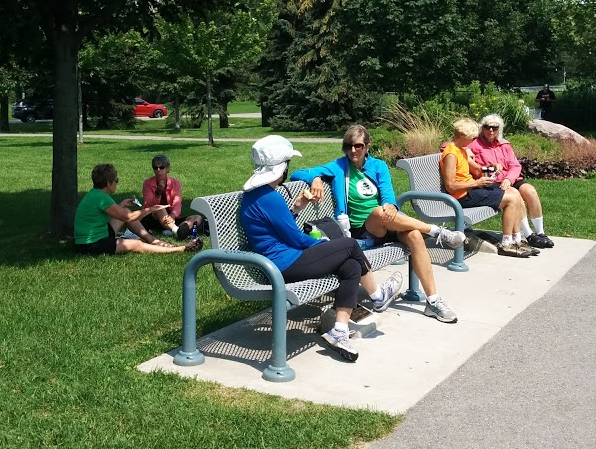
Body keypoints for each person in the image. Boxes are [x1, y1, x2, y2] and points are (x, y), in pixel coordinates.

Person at [239, 135, 405, 362]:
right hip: (283, 264)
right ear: (282, 167)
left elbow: (279, 227)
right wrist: (325, 244)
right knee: (348, 245)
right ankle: (378, 295)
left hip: (285, 259)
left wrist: (298, 207)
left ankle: (339, 330)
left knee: (349, 266)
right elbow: (296, 239)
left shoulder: (260, 195)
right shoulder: (269, 197)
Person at [291, 125, 464, 323]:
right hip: (361, 231)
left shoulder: (378, 166)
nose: (352, 151)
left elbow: (387, 193)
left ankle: (433, 302)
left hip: (385, 222)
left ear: (367, 147)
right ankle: (437, 231)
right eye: (348, 146)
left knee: (414, 235)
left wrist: (390, 204)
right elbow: (297, 173)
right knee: (378, 212)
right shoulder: (339, 167)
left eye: (358, 146)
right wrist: (315, 178)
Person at [440, 118, 534, 258]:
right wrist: (477, 184)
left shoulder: (462, 151)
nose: (473, 140)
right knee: (511, 200)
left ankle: (517, 239)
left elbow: (477, 170)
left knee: (515, 193)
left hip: (471, 190)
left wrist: (491, 167)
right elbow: (451, 186)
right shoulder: (451, 154)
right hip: (462, 196)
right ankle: (506, 244)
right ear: (463, 136)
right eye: (472, 137)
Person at [74, 163, 203, 256]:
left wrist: (120, 206)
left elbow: (117, 215)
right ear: (108, 183)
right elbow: (128, 218)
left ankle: (153, 240)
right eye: (116, 181)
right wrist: (151, 209)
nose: (116, 184)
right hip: (92, 245)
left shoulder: (95, 194)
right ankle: (181, 249)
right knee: (136, 244)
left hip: (91, 238)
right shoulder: (102, 198)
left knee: (127, 212)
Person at [468, 113, 554, 250]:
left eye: (495, 127)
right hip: (493, 182)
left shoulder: (504, 144)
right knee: (515, 194)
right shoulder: (474, 144)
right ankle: (529, 234)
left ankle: (541, 233)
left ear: (499, 129)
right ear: (482, 128)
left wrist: (509, 178)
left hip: (509, 178)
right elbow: (450, 147)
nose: (491, 130)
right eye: (487, 127)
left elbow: (515, 165)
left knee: (530, 191)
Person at [140, 154, 203, 238]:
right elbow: (148, 205)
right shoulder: (147, 183)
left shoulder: (175, 183)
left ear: (167, 169)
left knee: (197, 217)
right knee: (159, 208)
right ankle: (177, 231)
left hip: (169, 218)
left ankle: (177, 229)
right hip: (152, 218)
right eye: (155, 167)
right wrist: (157, 193)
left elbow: (177, 202)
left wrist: (173, 215)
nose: (158, 170)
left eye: (161, 167)